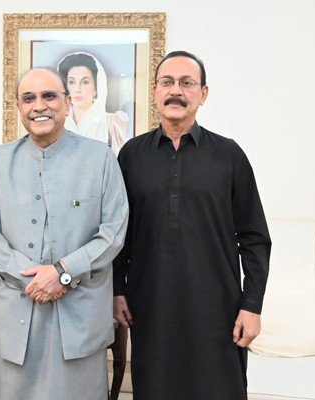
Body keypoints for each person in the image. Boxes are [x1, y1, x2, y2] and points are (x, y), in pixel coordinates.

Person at [113, 51, 271, 399]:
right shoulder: (131, 156)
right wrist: (116, 289)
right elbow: (118, 232)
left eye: (187, 83)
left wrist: (252, 305)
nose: (176, 91)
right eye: (167, 82)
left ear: (203, 93)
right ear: (155, 91)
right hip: (150, 305)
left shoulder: (229, 155)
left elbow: (255, 238)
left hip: (218, 309)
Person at [0, 67, 129, 400]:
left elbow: (114, 231)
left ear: (68, 103)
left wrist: (63, 273)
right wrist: (31, 277)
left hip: (79, 315)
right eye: (29, 98)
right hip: (13, 315)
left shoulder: (100, 158)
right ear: (19, 106)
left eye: (49, 96)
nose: (38, 106)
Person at [58, 52, 129, 155]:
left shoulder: (112, 122)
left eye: (85, 82)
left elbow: (120, 160)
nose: (78, 89)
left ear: (96, 87)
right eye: (72, 82)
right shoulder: (59, 121)